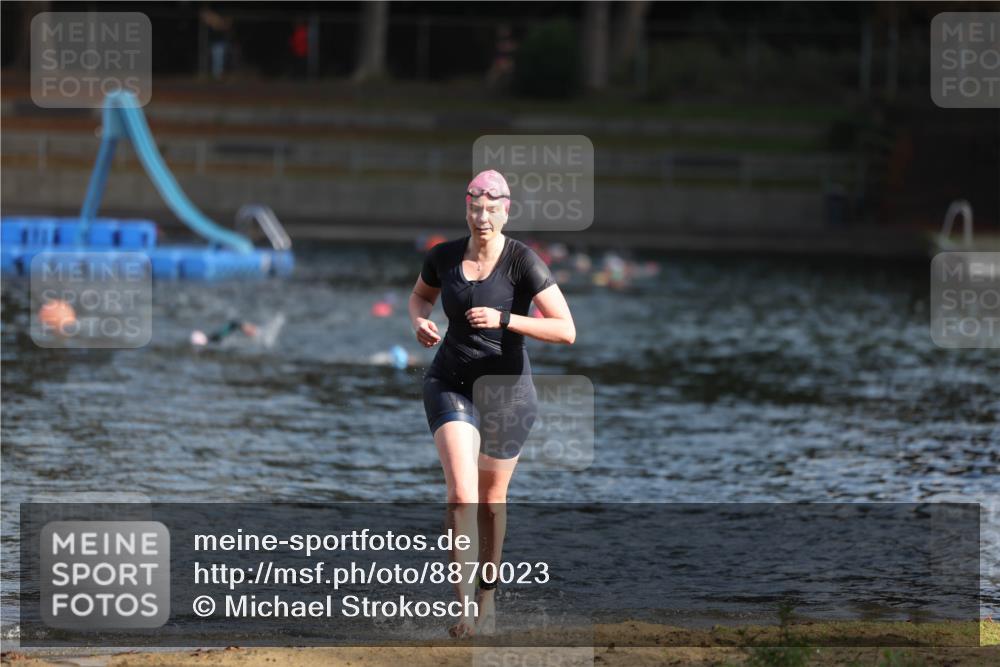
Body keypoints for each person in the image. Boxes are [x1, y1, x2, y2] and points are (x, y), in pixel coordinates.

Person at [408, 169, 576, 638]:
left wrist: (507, 320)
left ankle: (487, 595)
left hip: (508, 392)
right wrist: (419, 322)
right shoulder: (443, 256)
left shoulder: (524, 261)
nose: (482, 217)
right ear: (467, 209)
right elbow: (420, 298)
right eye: (475, 209)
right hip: (451, 381)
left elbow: (566, 330)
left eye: (491, 210)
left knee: (490, 502)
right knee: (461, 495)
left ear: (506, 212)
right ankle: (463, 609)